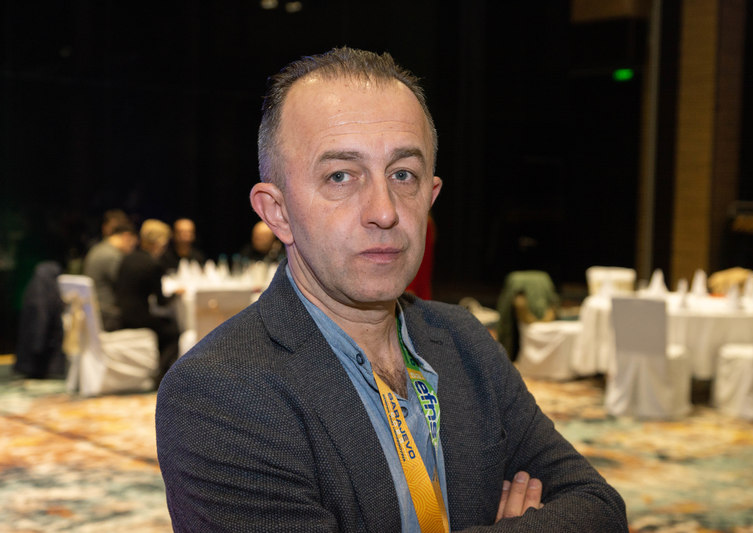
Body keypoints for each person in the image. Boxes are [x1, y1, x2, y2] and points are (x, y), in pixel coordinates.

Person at [156, 47, 627, 532]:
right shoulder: (219, 391)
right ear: (277, 212)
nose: (384, 211)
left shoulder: (463, 340)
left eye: (403, 175)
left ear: (430, 196)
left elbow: (600, 509)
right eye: (340, 176)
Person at [116, 219, 180, 386]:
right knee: (173, 331)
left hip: (122, 313)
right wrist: (176, 294)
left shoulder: (128, 258)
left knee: (164, 327)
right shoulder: (153, 264)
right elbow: (161, 301)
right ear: (160, 242)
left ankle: (159, 374)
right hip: (138, 317)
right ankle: (161, 376)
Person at [82, 220, 138, 330]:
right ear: (126, 237)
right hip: (107, 314)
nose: (131, 250)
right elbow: (127, 285)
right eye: (132, 245)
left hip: (94, 309)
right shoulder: (112, 256)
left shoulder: (98, 248)